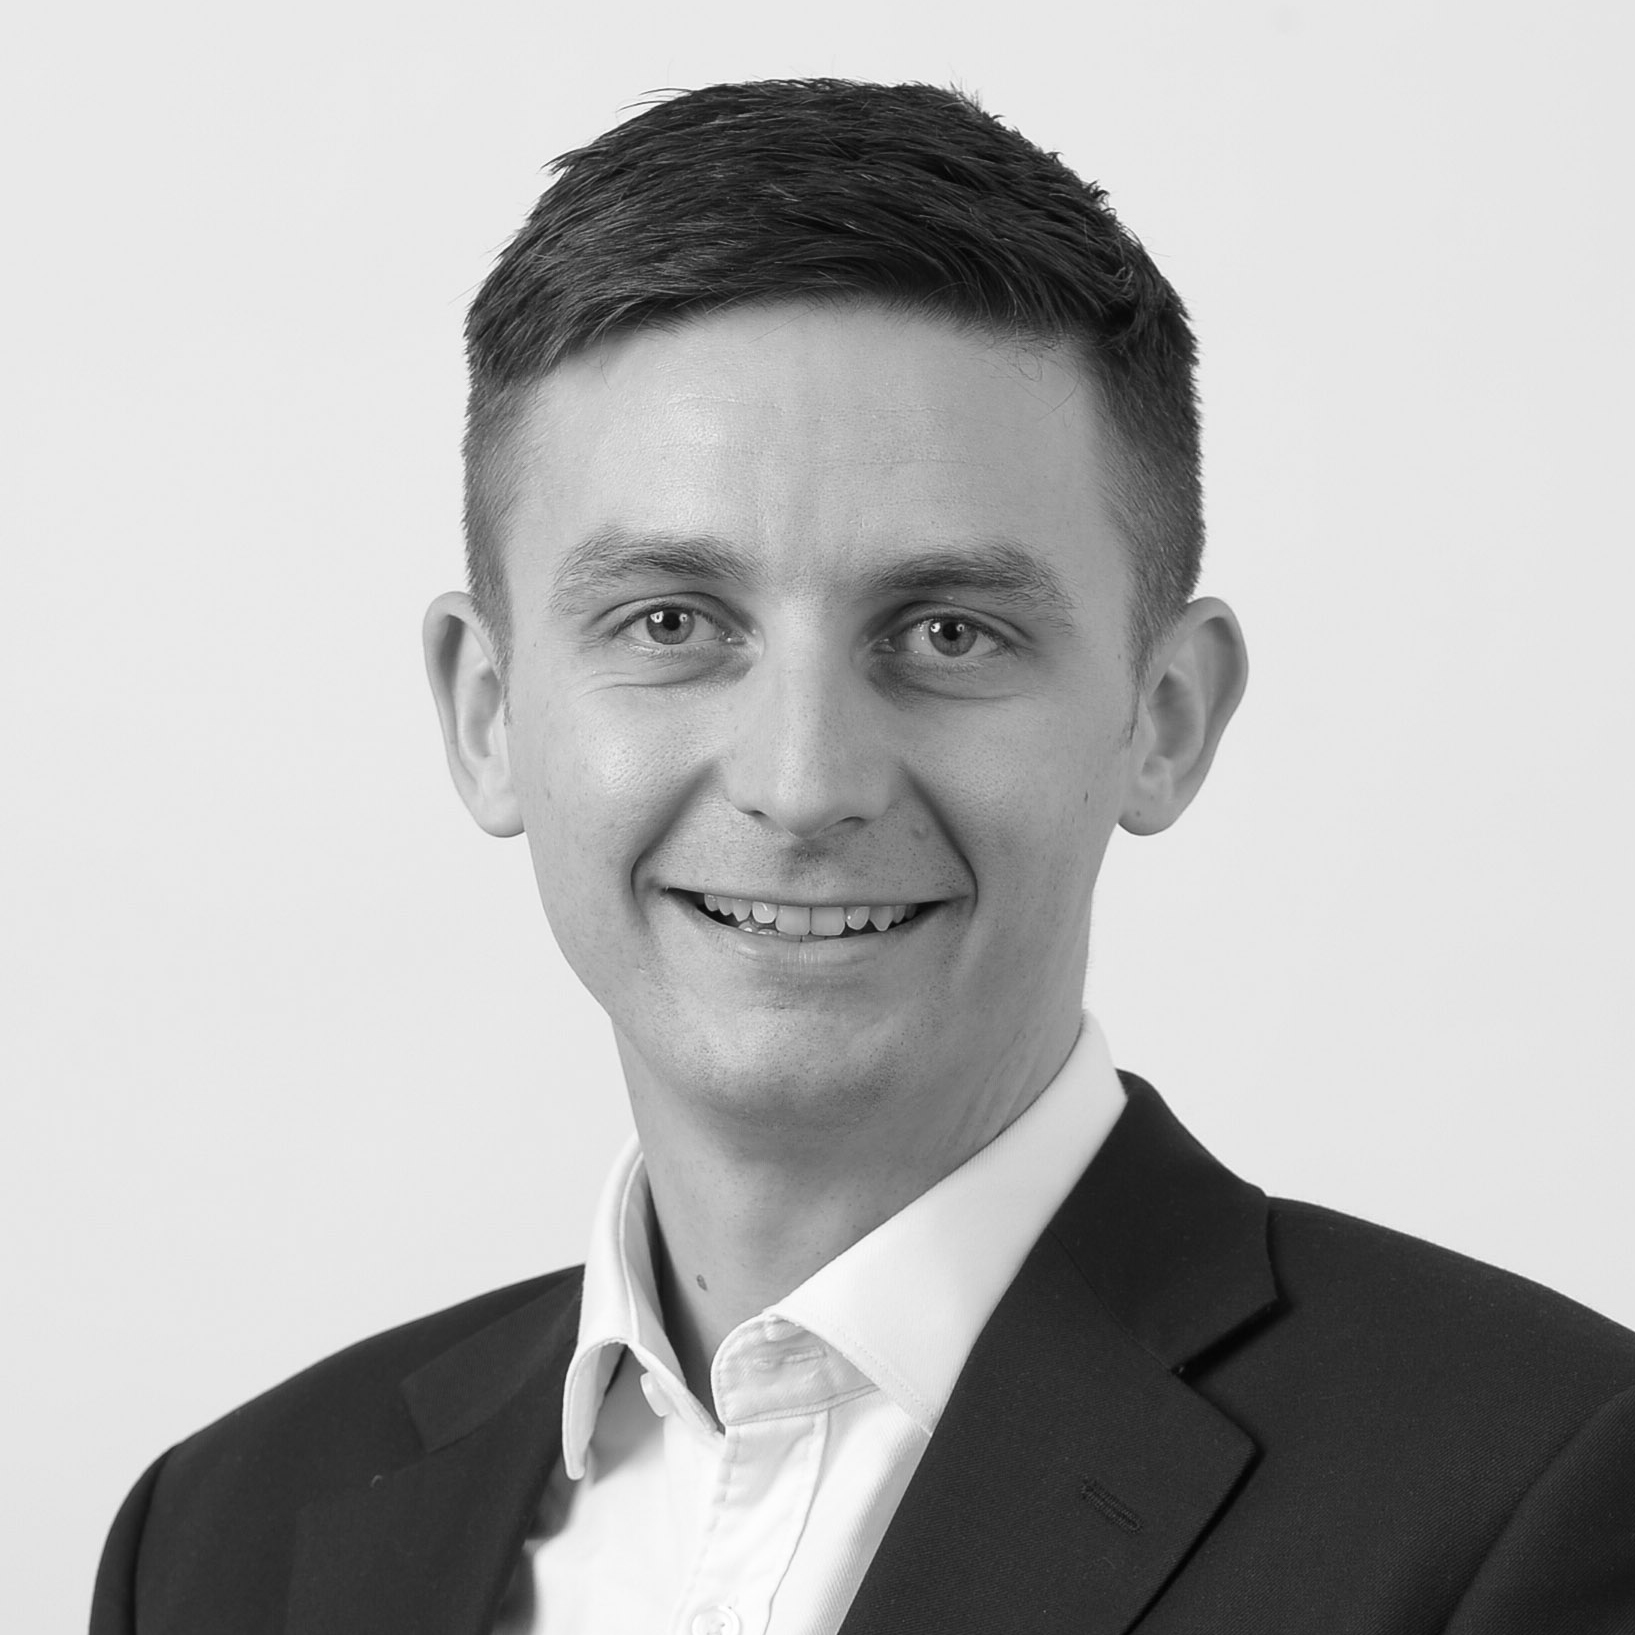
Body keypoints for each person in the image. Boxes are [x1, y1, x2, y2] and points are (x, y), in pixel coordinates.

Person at [90, 79, 1635, 1635]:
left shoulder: (1541, 1491)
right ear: (489, 713)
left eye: (950, 631)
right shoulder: (222, 1539)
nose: (803, 781)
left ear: (1164, 718)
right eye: (673, 624)